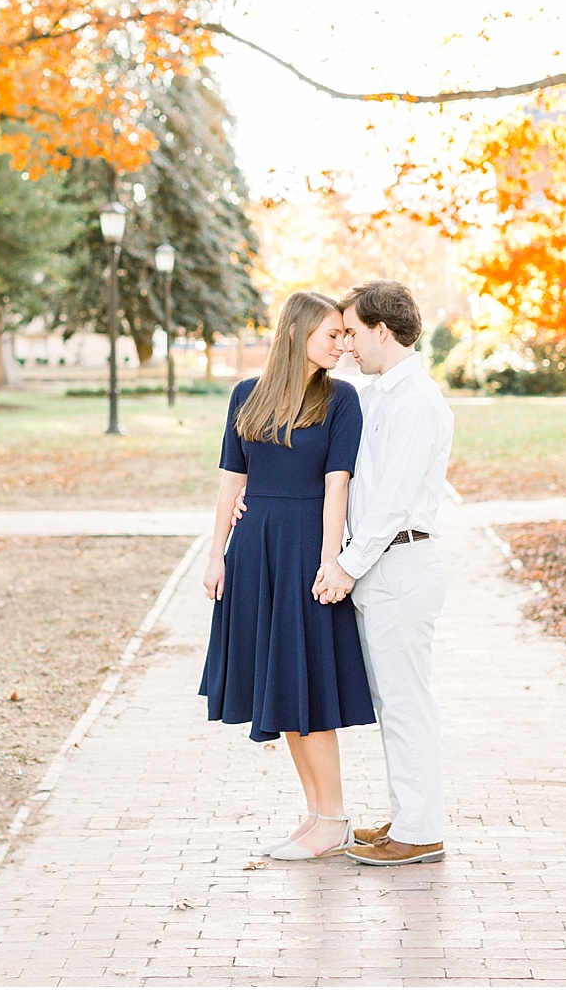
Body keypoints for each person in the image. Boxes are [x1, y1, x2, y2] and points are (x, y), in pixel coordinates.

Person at [199, 290, 376, 861]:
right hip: (255, 552)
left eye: (347, 335)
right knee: (282, 685)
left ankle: (335, 816)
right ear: (299, 333)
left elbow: (337, 485)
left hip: (306, 550)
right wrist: (215, 553)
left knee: (307, 687)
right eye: (334, 334)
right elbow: (232, 481)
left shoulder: (342, 399)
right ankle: (318, 813)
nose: (343, 344)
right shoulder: (245, 396)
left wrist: (331, 561)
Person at [315, 280, 454, 866]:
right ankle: (408, 815)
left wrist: (345, 567)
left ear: (381, 329)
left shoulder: (418, 401)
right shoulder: (375, 396)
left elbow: (394, 500)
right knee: (391, 699)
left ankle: (421, 831)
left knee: (405, 702)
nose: (345, 343)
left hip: (401, 560)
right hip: (382, 565)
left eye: (351, 330)